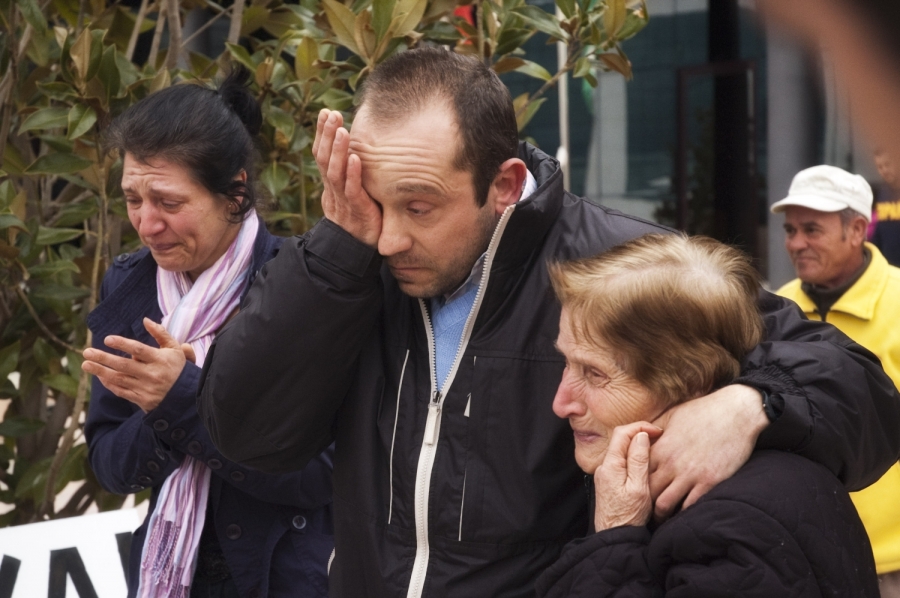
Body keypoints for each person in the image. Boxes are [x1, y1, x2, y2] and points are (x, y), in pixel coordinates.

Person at [197, 48, 900, 598]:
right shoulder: (355, 265)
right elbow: (246, 432)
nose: (390, 239)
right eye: (377, 203)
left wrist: (752, 405)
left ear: (503, 186)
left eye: (420, 207)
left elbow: (862, 389)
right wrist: (333, 251)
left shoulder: (619, 264)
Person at [82, 69, 333, 598]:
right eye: (132, 199)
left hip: (284, 578)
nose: (147, 224)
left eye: (169, 204)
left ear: (234, 194)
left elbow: (319, 475)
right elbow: (109, 463)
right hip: (172, 574)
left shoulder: (301, 285)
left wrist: (182, 399)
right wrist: (160, 412)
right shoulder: (131, 285)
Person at [535, 233, 878, 596]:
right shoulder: (724, 499)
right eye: (566, 363)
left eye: (594, 373)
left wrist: (614, 539)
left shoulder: (733, 528)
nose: (562, 402)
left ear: (689, 381)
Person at [772, 164, 900, 596]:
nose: (796, 243)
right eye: (790, 230)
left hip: (891, 562)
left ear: (858, 229)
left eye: (812, 229)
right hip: (800, 558)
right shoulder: (775, 308)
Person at [872, 148, 900, 266]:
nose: (884, 170)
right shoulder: (883, 193)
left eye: (887, 165)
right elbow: (880, 231)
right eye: (880, 167)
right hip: (889, 269)